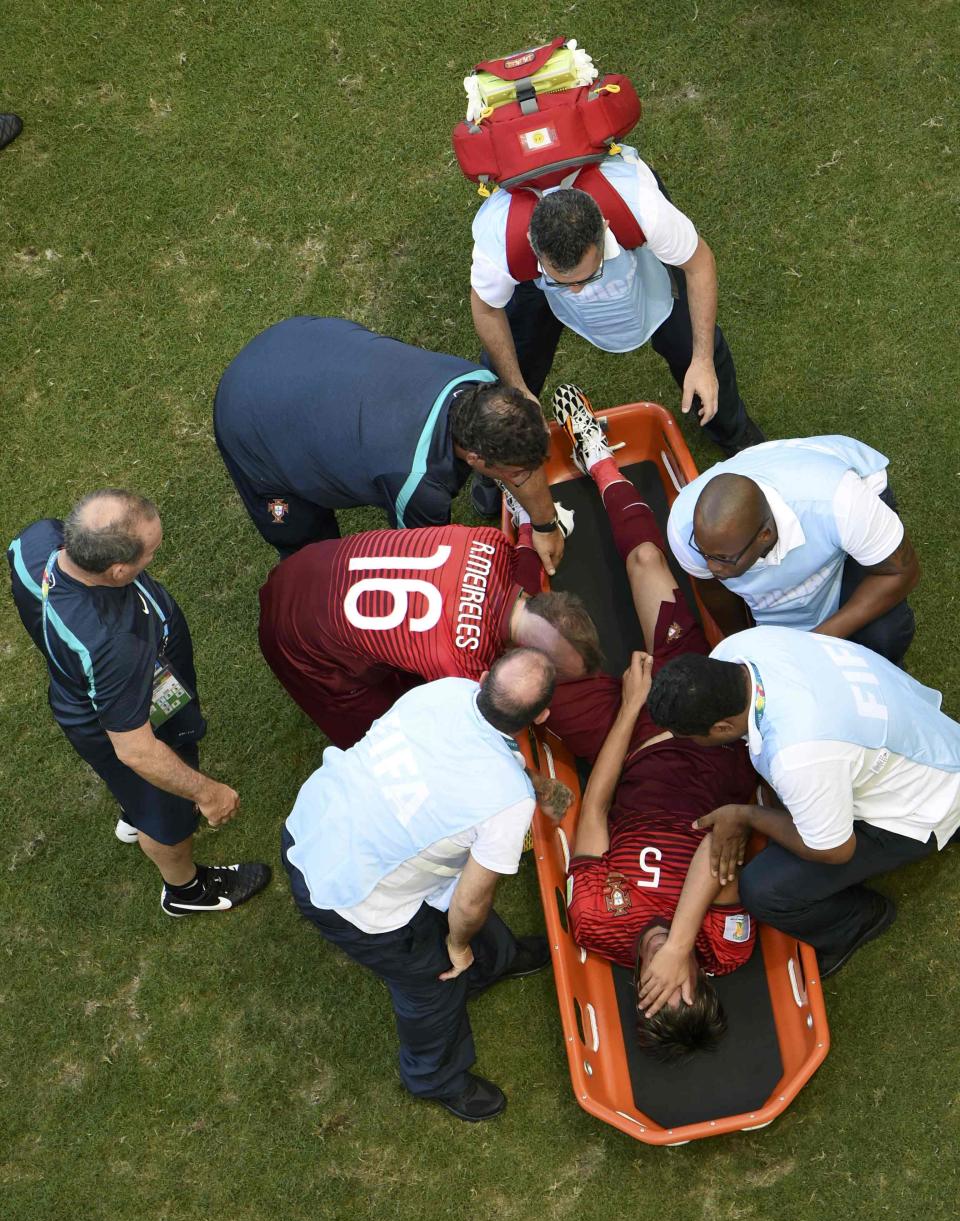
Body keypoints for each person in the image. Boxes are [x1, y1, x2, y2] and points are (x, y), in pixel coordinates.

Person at [540, 387, 758, 1060]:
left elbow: (596, 805)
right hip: (704, 724)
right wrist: (684, 941)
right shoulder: (726, 947)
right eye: (679, 987)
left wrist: (632, 707)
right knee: (644, 564)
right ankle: (600, 458)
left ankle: (529, 527)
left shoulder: (595, 927)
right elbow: (712, 852)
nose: (661, 978)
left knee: (534, 677)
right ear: (701, 980)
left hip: (626, 740)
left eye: (649, 992)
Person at [281, 650, 558, 1122]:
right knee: (434, 978)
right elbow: (472, 902)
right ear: (542, 716)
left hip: (312, 822)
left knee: (448, 892)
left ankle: (496, 962)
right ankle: (434, 1078)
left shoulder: (445, 691)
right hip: (350, 894)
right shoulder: (507, 803)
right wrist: (456, 946)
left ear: (485, 679)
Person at [7, 490, 271, 917]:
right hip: (130, 716)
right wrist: (208, 793)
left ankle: (135, 807)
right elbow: (136, 750)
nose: (156, 556)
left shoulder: (36, 542)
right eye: (151, 552)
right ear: (117, 570)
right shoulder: (115, 644)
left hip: (99, 693)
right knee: (168, 814)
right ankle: (184, 889)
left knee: (141, 792)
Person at [646, 626, 960, 982]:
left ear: (721, 727)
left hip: (928, 803)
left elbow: (834, 850)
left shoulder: (798, 756)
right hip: (929, 735)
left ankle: (857, 921)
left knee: (765, 890)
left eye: (691, 737)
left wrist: (747, 815)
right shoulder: (738, 649)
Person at [468, 144, 763, 517]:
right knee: (510, 370)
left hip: (624, 234)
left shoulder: (643, 211)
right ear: (532, 246)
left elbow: (699, 264)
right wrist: (516, 386)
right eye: (562, 282)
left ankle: (735, 434)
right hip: (535, 265)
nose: (577, 292)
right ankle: (500, 456)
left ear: (604, 230)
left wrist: (702, 360)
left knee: (690, 343)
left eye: (587, 277)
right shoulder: (502, 240)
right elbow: (486, 307)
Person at [213, 316, 568, 574]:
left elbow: (526, 463)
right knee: (305, 540)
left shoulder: (480, 384)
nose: (527, 477)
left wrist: (545, 525)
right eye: (517, 475)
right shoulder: (416, 484)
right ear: (475, 458)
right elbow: (425, 566)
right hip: (249, 419)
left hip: (298, 340)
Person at [258, 519, 600, 748]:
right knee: (381, 736)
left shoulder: (489, 540)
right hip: (297, 638)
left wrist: (527, 528)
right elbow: (471, 735)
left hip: (309, 564)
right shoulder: (461, 664)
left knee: (400, 661)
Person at [666, 435, 919, 663]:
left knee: (885, 633)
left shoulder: (841, 503)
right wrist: (745, 644)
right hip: (791, 491)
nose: (712, 566)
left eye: (723, 558)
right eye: (705, 553)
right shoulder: (684, 528)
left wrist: (814, 645)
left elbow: (902, 572)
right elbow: (713, 590)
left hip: (849, 500)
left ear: (765, 535)